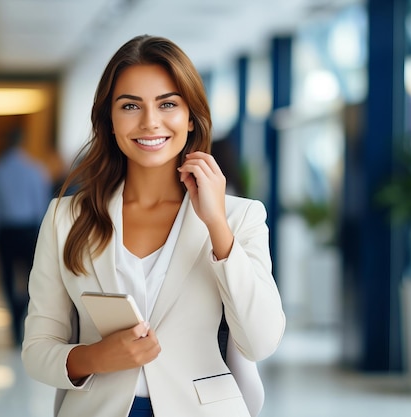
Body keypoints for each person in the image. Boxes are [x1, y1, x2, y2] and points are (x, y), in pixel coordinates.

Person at [21, 35, 286, 417]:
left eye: (168, 104)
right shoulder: (67, 217)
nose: (150, 122)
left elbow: (261, 341)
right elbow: (37, 350)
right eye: (130, 105)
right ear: (109, 120)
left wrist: (216, 226)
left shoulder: (238, 217)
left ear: (190, 117)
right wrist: (95, 356)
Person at [0, 127, 52, 345]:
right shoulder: (35, 170)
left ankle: (14, 315)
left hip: (6, 231)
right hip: (29, 230)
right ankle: (22, 312)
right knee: (34, 279)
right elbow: (41, 205)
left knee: (7, 277)